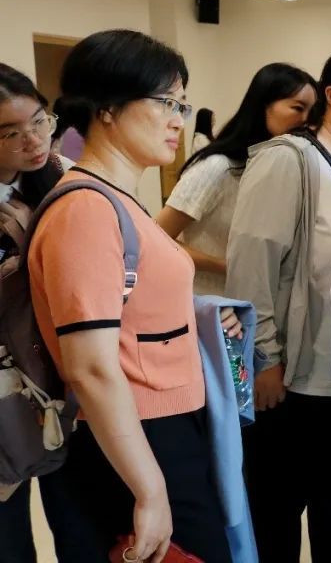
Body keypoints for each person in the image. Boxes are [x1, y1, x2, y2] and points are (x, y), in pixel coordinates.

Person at [27, 29, 237, 562]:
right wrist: (150, 490)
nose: (178, 120)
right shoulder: (85, 211)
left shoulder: (117, 199)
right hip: (133, 438)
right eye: (166, 102)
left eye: (182, 105)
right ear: (107, 109)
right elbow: (91, 368)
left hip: (159, 426)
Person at [226, 46, 331, 562]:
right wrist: (265, 358)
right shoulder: (289, 158)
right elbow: (251, 264)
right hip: (291, 371)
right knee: (276, 504)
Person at [0, 63, 76, 563]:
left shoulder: (60, 176)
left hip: (59, 375)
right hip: (9, 387)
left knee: (77, 519)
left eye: (39, 121)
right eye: (11, 132)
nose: (33, 140)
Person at [157, 64, 318, 296]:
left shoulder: (281, 172)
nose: (306, 121)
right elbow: (157, 237)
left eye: (312, 112)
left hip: (255, 305)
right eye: (298, 108)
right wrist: (225, 266)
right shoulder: (218, 168)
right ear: (264, 105)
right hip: (208, 305)